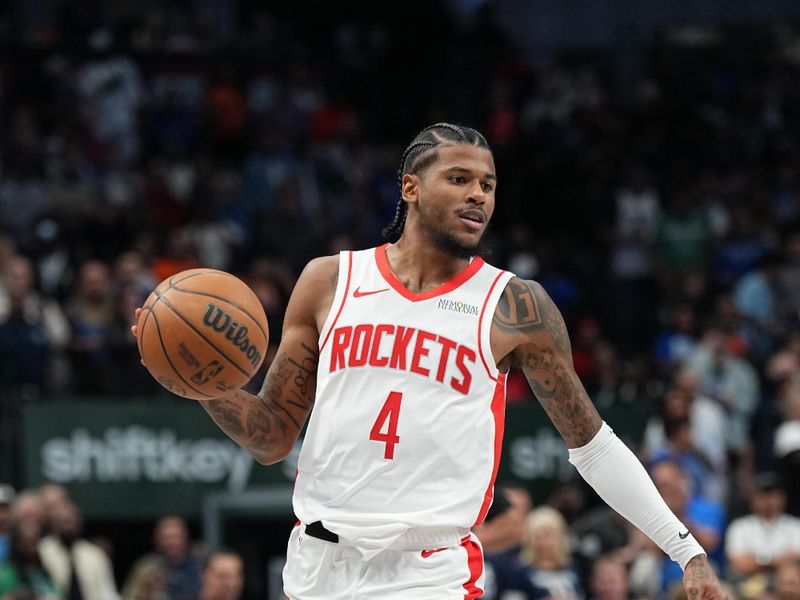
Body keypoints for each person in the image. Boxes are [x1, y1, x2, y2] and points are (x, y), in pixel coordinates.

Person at [133, 122, 728, 599]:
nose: (479, 195)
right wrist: (197, 381)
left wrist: (686, 551)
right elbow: (269, 437)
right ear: (411, 188)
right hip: (316, 567)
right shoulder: (328, 281)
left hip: (429, 572)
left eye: (489, 185)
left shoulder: (514, 306)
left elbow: (592, 445)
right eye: (460, 178)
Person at [39, 501, 120, 600]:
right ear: (54, 524)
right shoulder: (42, 551)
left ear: (79, 523)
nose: (67, 527)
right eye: (63, 522)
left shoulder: (94, 554)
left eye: (71, 521)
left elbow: (107, 592)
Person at [122, 515, 202, 600]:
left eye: (175, 537)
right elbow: (130, 596)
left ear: (186, 537)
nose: (171, 542)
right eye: (166, 538)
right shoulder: (146, 567)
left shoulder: (200, 565)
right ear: (157, 539)